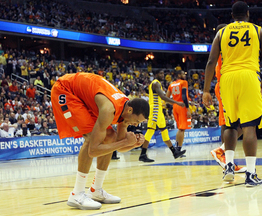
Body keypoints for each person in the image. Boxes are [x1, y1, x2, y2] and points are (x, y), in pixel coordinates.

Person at [51, 72, 149, 210]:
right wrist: (125, 143)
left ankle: (96, 190)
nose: (137, 125)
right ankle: (77, 194)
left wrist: (132, 144)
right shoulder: (109, 109)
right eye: (137, 121)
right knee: (92, 138)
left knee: (109, 137)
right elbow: (93, 150)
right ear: (130, 110)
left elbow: (117, 146)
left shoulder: (126, 111)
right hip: (65, 90)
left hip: (83, 94)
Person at [203, 1, 262, 186]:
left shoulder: (221, 32)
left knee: (230, 125)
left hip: (227, 79)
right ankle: (250, 173)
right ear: (248, 14)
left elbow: (211, 62)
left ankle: (228, 167)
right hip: (249, 76)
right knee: (249, 126)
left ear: (232, 16)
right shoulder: (259, 31)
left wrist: (205, 90)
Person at [209, 24, 246, 173]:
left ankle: (227, 159)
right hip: (226, 85)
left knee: (231, 123)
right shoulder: (224, 46)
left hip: (227, 85)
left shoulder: (221, 46)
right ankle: (223, 153)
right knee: (238, 122)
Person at [139, 69, 186, 162]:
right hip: (155, 109)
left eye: (163, 73)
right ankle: (143, 154)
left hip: (159, 109)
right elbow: (163, 97)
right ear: (156, 74)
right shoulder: (155, 83)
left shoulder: (158, 84)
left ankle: (174, 152)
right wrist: (177, 102)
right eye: (161, 73)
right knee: (150, 131)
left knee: (164, 131)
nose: (163, 75)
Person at [166, 70, 191, 157]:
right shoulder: (183, 82)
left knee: (180, 128)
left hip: (175, 107)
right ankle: (178, 150)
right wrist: (187, 109)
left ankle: (177, 149)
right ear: (179, 75)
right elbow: (184, 96)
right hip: (182, 105)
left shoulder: (171, 84)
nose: (184, 75)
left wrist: (173, 104)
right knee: (181, 129)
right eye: (183, 73)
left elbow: (166, 98)